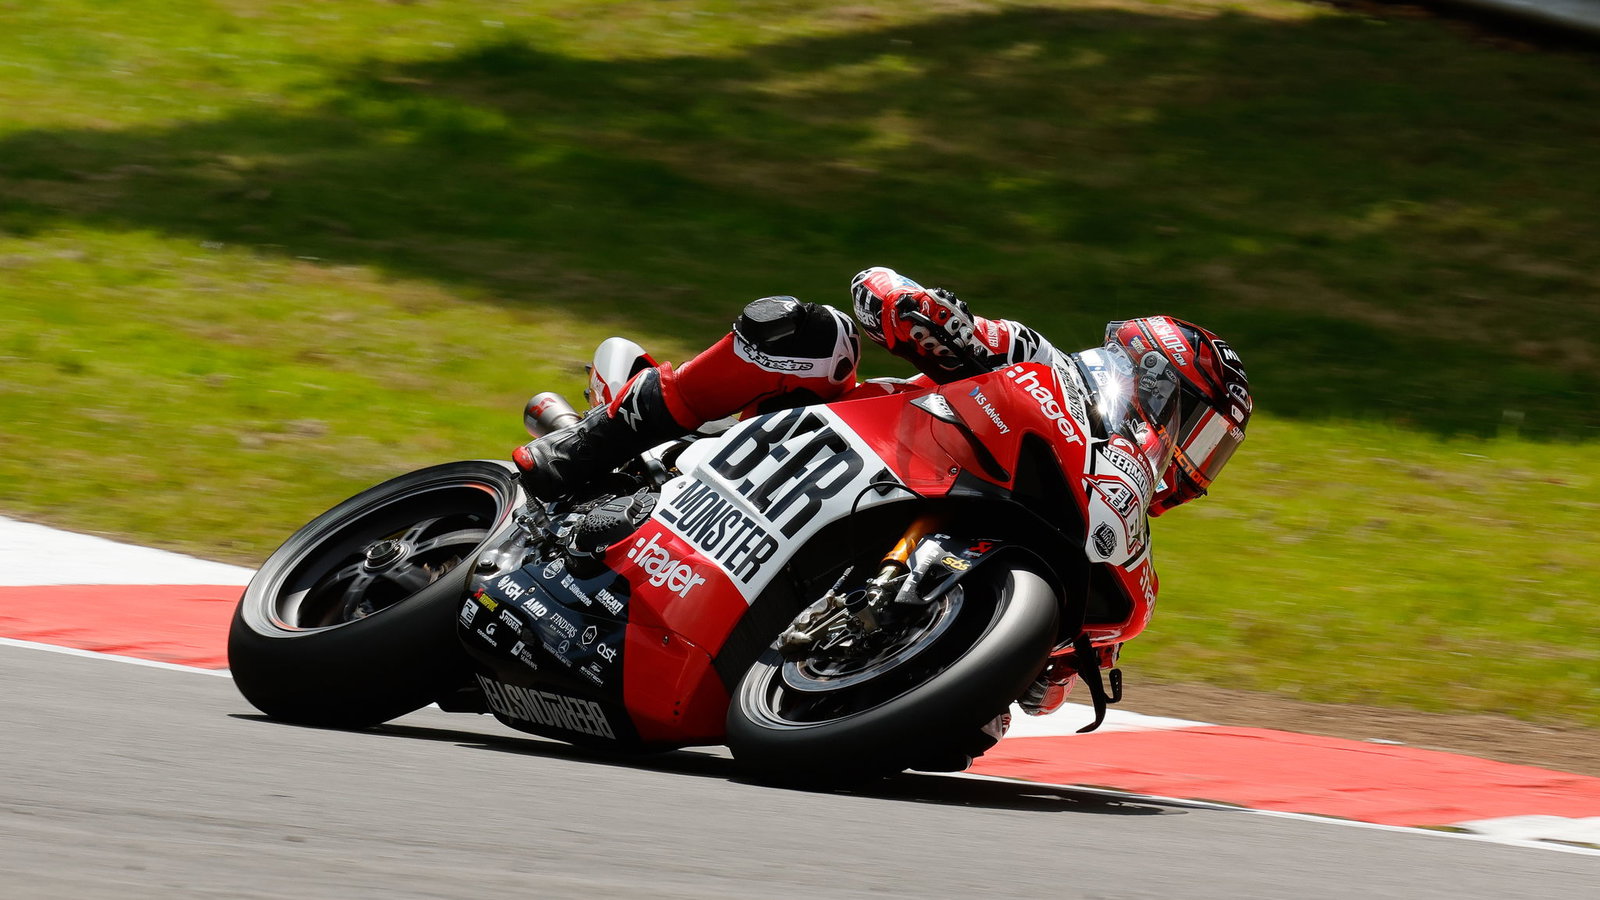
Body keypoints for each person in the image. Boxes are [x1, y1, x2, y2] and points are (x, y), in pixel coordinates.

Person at [516, 266, 1251, 521]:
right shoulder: (1038, 360)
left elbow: (1050, 685)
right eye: (1204, 436)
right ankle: (598, 440)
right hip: (817, 438)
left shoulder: (1109, 512)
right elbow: (883, 294)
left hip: (876, 521)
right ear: (1156, 384)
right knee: (810, 334)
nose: (1198, 464)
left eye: (1214, 454)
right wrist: (922, 311)